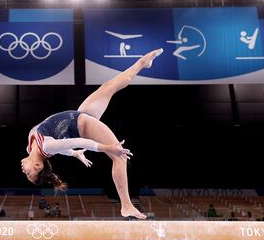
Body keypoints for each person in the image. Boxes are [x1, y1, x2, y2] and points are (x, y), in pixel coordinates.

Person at [21, 48, 163, 219]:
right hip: (82, 124)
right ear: (38, 166)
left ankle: (142, 63)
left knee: (109, 86)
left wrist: (75, 154)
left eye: (26, 174)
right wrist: (106, 148)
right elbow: (79, 141)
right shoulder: (46, 146)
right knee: (119, 156)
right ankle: (126, 206)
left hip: (80, 115)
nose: (24, 171)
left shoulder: (32, 148)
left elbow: (62, 147)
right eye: (28, 174)